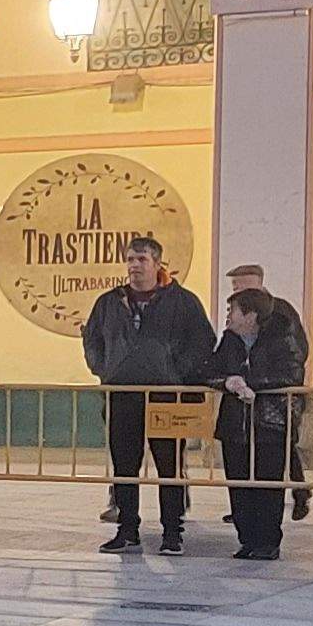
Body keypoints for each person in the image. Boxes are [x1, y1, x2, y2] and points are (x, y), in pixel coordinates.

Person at [82, 235, 215, 555]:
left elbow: (202, 342)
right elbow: (93, 339)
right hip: (122, 393)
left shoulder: (183, 302)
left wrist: (175, 372)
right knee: (124, 466)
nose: (134, 266)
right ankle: (128, 529)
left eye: (141, 260)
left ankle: (172, 532)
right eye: (129, 259)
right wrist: (105, 368)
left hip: (166, 397)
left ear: (158, 264)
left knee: (168, 468)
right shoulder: (109, 302)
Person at [203, 286, 305, 561]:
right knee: (238, 484)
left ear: (250, 315)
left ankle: (268, 541)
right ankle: (246, 538)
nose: (228, 317)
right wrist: (228, 382)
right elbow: (210, 370)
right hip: (235, 424)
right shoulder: (229, 340)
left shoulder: (282, 339)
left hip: (269, 424)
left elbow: (291, 375)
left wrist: (252, 385)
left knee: (267, 485)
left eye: (232, 310)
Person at [229, 263, 313, 523]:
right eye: (234, 287)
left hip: (275, 397)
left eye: (242, 286)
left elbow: (296, 352)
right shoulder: (235, 321)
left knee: (280, 447)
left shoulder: (280, 311)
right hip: (246, 401)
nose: (237, 292)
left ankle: (299, 492)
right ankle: (247, 510)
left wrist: (257, 381)